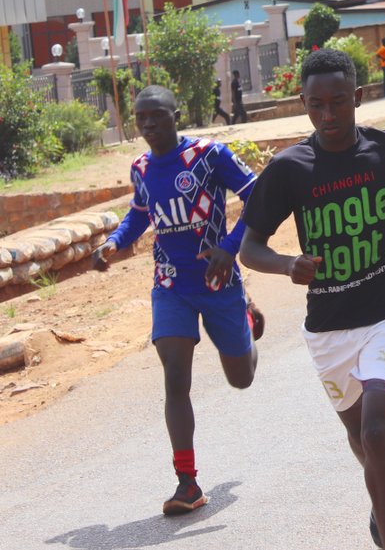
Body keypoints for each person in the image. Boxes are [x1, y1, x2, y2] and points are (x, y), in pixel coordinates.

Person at [239, 49, 385, 550]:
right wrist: (286, 265)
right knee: (362, 441)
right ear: (304, 104)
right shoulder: (289, 168)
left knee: (378, 433)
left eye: (339, 102)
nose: (329, 115)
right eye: (317, 105)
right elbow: (250, 247)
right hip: (329, 326)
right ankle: (383, 503)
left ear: (357, 97)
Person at [91, 85, 263, 516]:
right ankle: (187, 482)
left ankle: (244, 313)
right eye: (140, 118)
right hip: (169, 285)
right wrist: (114, 242)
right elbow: (139, 213)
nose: (147, 125)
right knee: (174, 376)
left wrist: (231, 246)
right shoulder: (142, 166)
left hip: (218, 281)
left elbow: (257, 196)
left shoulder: (209, 156)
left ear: (176, 114)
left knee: (240, 378)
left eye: (156, 116)